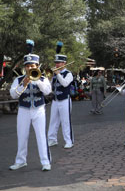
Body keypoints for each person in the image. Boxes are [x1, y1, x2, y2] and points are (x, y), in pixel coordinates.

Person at [9, 40, 52, 171]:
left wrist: (37, 79)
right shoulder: (18, 79)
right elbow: (13, 95)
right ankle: (21, 161)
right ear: (25, 67)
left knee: (41, 136)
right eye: (28, 66)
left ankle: (45, 162)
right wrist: (24, 83)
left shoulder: (43, 78)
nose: (30, 68)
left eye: (33, 65)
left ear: (37, 66)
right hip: (23, 110)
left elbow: (47, 91)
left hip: (39, 110)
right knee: (22, 136)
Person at [47, 41, 75, 149]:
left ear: (64, 63)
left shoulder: (68, 74)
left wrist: (58, 74)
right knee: (53, 121)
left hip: (64, 100)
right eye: (56, 62)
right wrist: (50, 78)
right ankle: (52, 139)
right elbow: (50, 87)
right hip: (55, 100)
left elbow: (64, 83)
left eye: (59, 63)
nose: (57, 64)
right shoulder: (54, 74)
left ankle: (69, 141)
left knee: (65, 121)